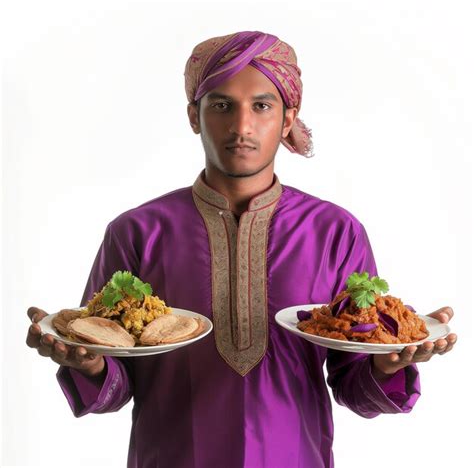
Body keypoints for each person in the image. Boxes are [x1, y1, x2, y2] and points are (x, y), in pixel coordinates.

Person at [26, 31, 457, 468]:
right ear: (194, 115)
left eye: (262, 106)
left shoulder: (335, 231)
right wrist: (90, 366)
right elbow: (112, 373)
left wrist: (388, 365)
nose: (241, 126)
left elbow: (351, 384)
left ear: (288, 118)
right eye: (221, 105)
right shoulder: (137, 231)